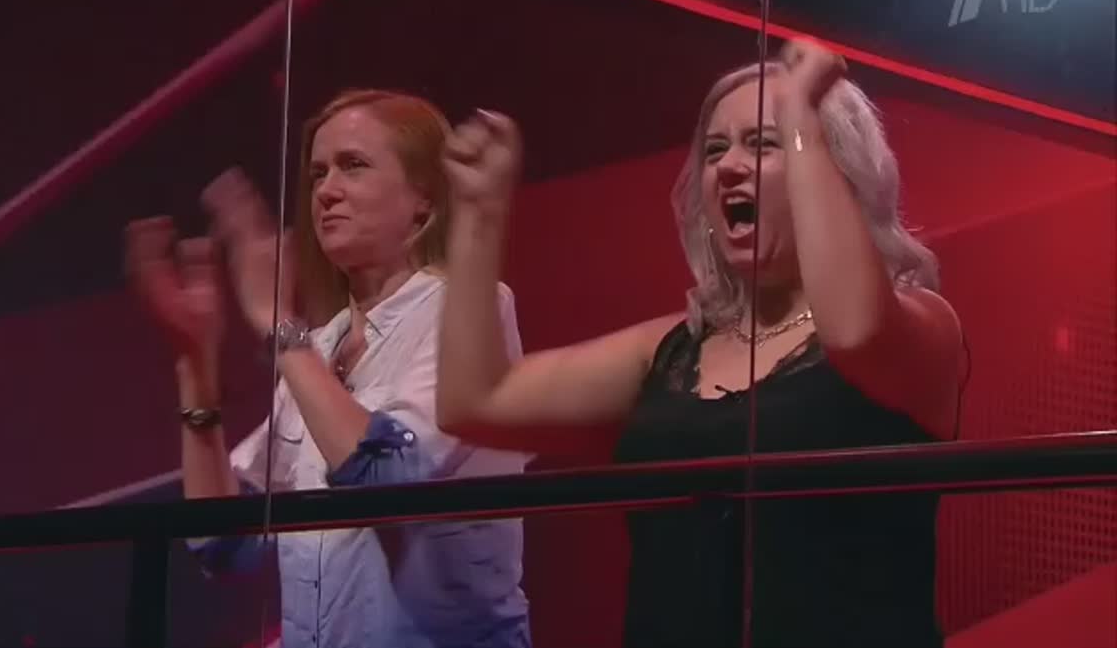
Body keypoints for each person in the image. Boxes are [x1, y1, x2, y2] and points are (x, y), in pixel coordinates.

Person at [436, 39, 965, 648]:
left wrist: (801, 118)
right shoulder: (672, 348)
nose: (729, 166)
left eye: (761, 144)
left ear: (836, 168)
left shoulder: (923, 323)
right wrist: (477, 213)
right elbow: (474, 401)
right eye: (715, 150)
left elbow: (854, 330)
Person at [126, 89, 532, 648]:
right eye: (318, 173)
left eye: (353, 165)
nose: (325, 191)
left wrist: (278, 324)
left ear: (423, 198)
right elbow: (225, 545)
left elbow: (384, 477)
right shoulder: (317, 347)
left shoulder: (467, 309)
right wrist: (196, 362)